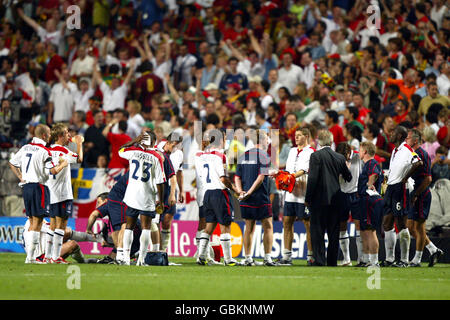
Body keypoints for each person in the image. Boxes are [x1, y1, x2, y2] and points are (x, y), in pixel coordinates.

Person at [8, 124, 68, 264]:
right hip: (39, 187)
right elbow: (52, 171)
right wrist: (63, 165)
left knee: (31, 220)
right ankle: (31, 257)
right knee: (38, 222)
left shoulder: (25, 147)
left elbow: (12, 163)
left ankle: (30, 256)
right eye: (48, 134)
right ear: (44, 136)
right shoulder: (44, 151)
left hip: (26, 187)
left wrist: (21, 176)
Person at [305, 130, 352, 266]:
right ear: (331, 142)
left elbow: (312, 179)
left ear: (318, 142)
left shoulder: (316, 156)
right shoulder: (339, 157)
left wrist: (308, 198)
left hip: (318, 200)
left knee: (317, 231)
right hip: (336, 199)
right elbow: (348, 177)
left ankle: (319, 260)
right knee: (333, 232)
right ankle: (332, 261)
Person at [118, 131, 165, 266]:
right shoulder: (156, 157)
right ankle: (141, 260)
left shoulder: (133, 152)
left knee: (129, 227)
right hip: (147, 196)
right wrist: (160, 201)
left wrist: (134, 140)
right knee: (146, 228)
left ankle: (126, 258)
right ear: (154, 142)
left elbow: (121, 149)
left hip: (132, 195)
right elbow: (160, 181)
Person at [196, 130, 241, 266]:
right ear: (221, 140)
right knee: (225, 226)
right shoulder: (220, 156)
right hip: (220, 193)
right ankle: (228, 259)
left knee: (209, 226)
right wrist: (235, 190)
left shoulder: (202, 155)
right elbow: (223, 179)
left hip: (207, 193)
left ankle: (201, 256)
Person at [381, 126, 422, 267]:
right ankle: (390, 258)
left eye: (392, 132)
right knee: (387, 222)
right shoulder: (395, 150)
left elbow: (418, 162)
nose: (390, 134)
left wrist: (405, 178)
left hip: (400, 188)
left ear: (399, 136)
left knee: (400, 223)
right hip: (391, 188)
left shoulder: (407, 149)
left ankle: (404, 260)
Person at [235, 130, 276, 266]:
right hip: (260, 196)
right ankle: (268, 258)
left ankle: (247, 258)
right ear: (262, 140)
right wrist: (250, 192)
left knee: (249, 227)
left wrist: (241, 192)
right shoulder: (264, 156)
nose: (268, 142)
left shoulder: (243, 155)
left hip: (246, 198)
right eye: (267, 139)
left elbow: (237, 177)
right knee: (268, 226)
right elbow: (261, 176)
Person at [45, 123, 84, 264]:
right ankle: (55, 257)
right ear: (60, 136)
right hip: (62, 192)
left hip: (51, 191)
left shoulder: (48, 151)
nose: (69, 135)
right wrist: (79, 144)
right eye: (67, 133)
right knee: (61, 225)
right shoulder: (64, 151)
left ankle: (47, 256)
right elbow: (79, 159)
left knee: (52, 225)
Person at [405, 129, 444, 267]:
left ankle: (417, 259)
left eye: (408, 138)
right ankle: (433, 250)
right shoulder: (411, 154)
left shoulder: (422, 154)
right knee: (410, 227)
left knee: (420, 228)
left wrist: (416, 194)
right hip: (414, 193)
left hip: (421, 194)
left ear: (415, 140)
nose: (405, 140)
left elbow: (428, 178)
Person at [278, 128, 315, 265]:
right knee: (287, 222)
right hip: (290, 194)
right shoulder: (292, 151)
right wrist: (281, 176)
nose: (296, 138)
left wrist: (289, 177)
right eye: (295, 136)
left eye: (299, 136)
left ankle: (310, 256)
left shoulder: (311, 152)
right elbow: (288, 169)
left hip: (303, 194)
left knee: (307, 224)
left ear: (306, 136)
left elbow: (304, 170)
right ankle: (287, 256)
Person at [357, 141, 385, 267]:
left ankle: (374, 262)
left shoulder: (371, 163)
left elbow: (373, 174)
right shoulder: (369, 164)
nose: (359, 152)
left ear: (365, 152)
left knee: (371, 230)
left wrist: (369, 186)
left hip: (370, 200)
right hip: (369, 200)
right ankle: (370, 260)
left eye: (360, 150)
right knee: (367, 230)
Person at [335, 142, 363, 267]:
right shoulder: (337, 160)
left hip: (356, 194)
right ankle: (346, 259)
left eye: (344, 156)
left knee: (358, 226)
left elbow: (371, 155)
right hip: (342, 195)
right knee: (342, 226)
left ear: (349, 152)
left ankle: (361, 259)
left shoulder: (357, 156)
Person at [156, 133, 182, 253]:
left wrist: (180, 190)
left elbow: (178, 173)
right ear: (168, 142)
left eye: (178, 146)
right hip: (158, 188)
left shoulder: (180, 153)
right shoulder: (159, 149)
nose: (176, 148)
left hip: (172, 188)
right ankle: (155, 249)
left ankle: (162, 251)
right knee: (155, 220)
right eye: (175, 145)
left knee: (166, 221)